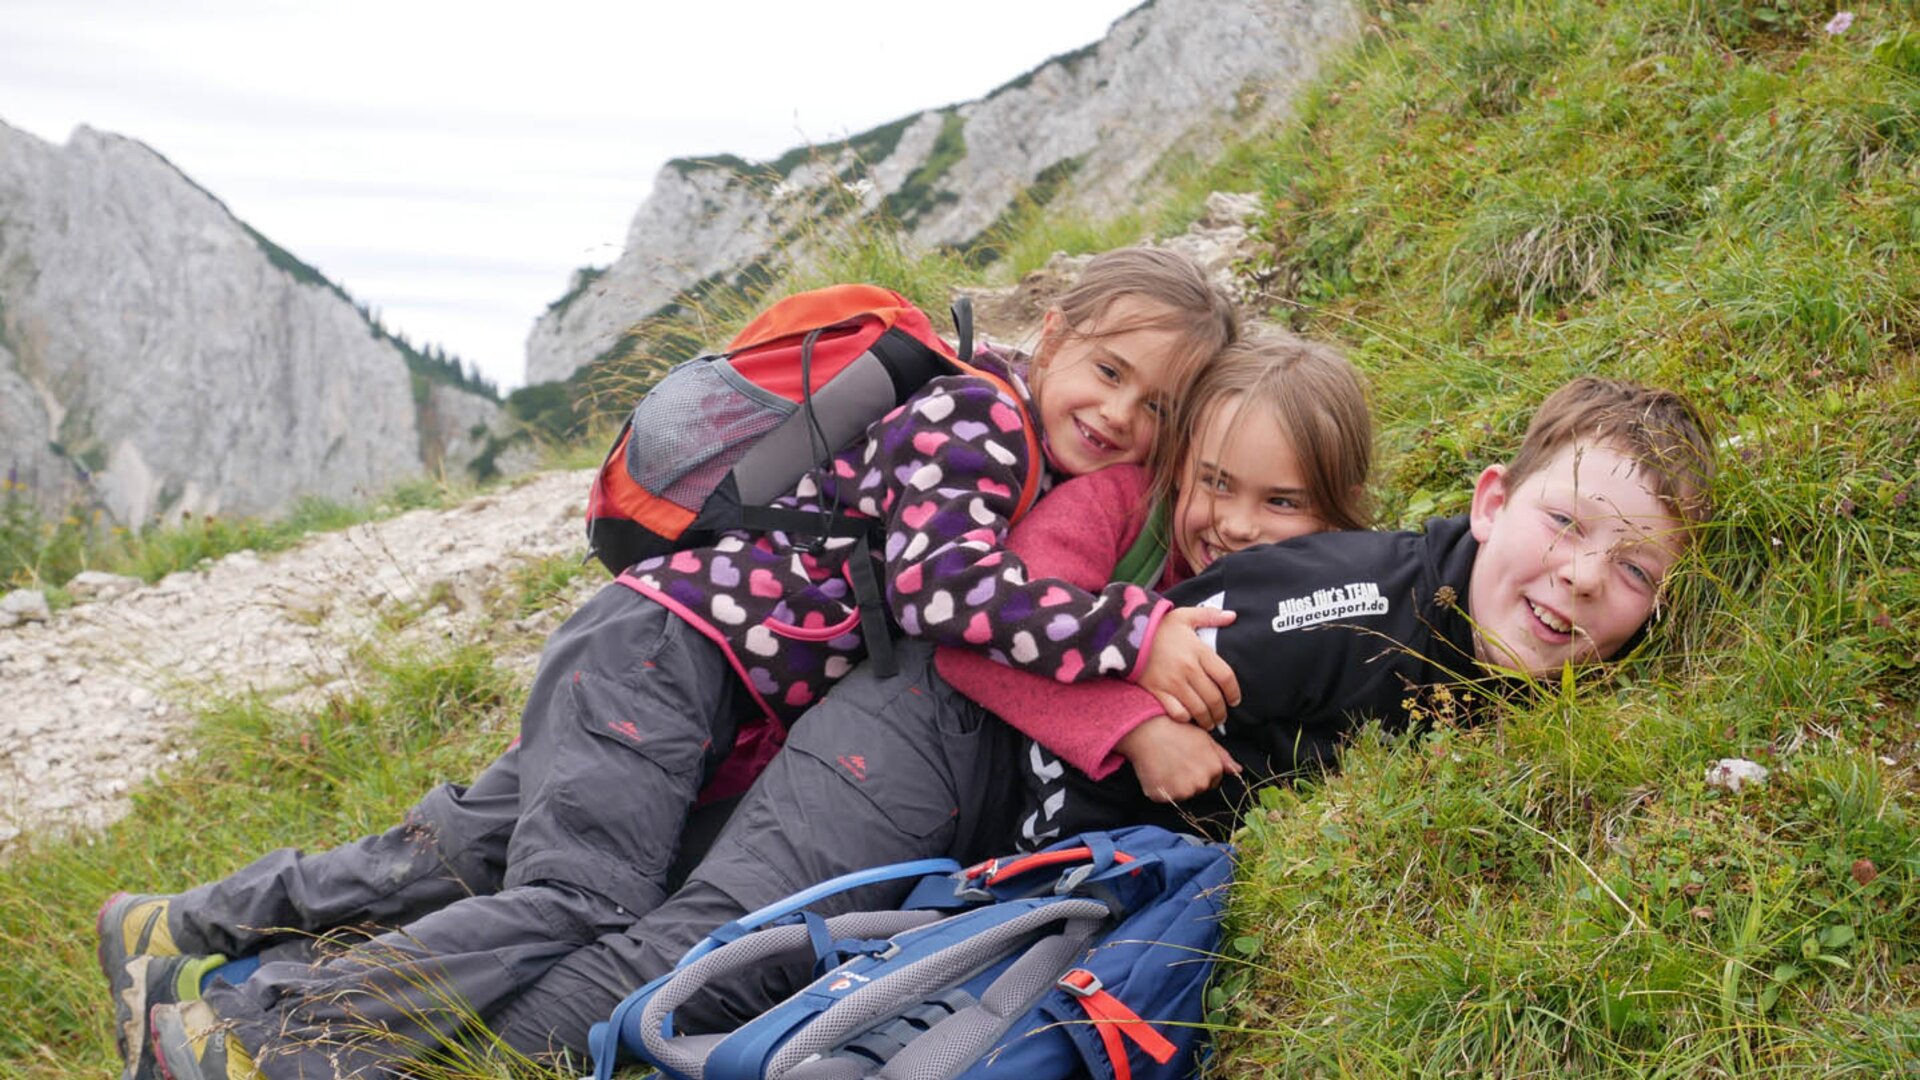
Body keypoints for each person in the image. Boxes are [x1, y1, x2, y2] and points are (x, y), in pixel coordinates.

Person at [106, 247, 1245, 1080]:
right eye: (1105, 371)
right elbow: (942, 590)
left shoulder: (995, 423)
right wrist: (1130, 636)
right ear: (1050, 333)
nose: (1118, 415)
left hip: (675, 665)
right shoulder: (982, 423)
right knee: (578, 896)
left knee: (474, 846)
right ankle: (259, 1042)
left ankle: (181, 935)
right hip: (669, 659)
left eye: (1154, 409)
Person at [474, 374, 1712, 1063]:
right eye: (1567, 523)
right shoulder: (1351, 607)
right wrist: (1124, 741)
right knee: (690, 947)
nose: (1585, 579)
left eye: (1638, 571)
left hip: (960, 797)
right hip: (934, 744)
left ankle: (359, 979)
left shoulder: (1478, 649)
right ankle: (405, 1047)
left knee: (638, 890)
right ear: (1493, 502)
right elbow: (1062, 667)